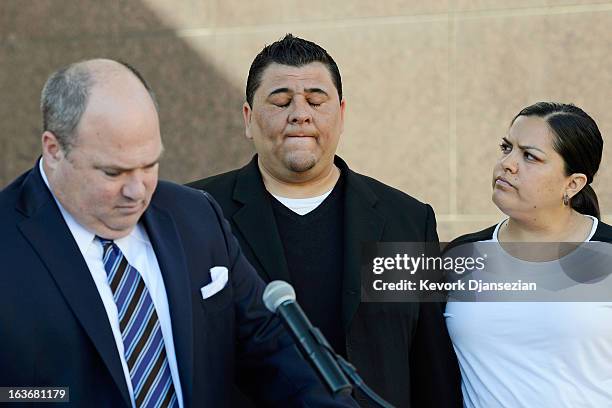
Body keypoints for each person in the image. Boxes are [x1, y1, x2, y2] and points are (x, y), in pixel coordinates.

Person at [0, 59, 358, 408]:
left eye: (150, 164)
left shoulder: (195, 216)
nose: (138, 191)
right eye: (114, 173)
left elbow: (269, 345)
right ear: (54, 150)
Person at [188, 34, 461, 408]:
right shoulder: (195, 214)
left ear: (342, 114)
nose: (300, 113)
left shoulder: (405, 221)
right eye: (281, 101)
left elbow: (431, 369)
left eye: (316, 100)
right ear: (248, 119)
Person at [445, 102, 612, 407]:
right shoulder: (459, 256)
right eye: (506, 148)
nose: (507, 164)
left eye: (530, 156)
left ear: (572, 184)